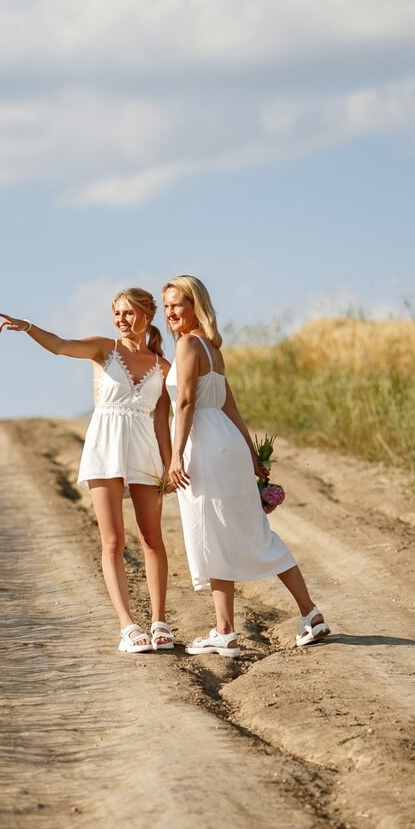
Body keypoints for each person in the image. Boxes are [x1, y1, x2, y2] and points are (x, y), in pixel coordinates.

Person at [0, 289, 175, 654]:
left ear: (147, 315)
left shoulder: (163, 367)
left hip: (144, 449)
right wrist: (29, 327)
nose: (121, 319)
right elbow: (61, 345)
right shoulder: (103, 349)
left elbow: (163, 424)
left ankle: (159, 621)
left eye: (129, 313)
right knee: (112, 540)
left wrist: (170, 463)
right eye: (117, 313)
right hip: (105, 446)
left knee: (152, 539)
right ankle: (128, 626)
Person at [162, 275, 330, 655]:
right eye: (167, 306)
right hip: (227, 444)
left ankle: (226, 630)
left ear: (195, 306)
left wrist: (175, 455)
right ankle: (305, 614)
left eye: (178, 304)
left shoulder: (189, 344)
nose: (171, 312)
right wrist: (251, 456)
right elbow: (229, 406)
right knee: (254, 531)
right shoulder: (212, 348)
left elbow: (187, 402)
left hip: (203, 443)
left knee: (210, 532)